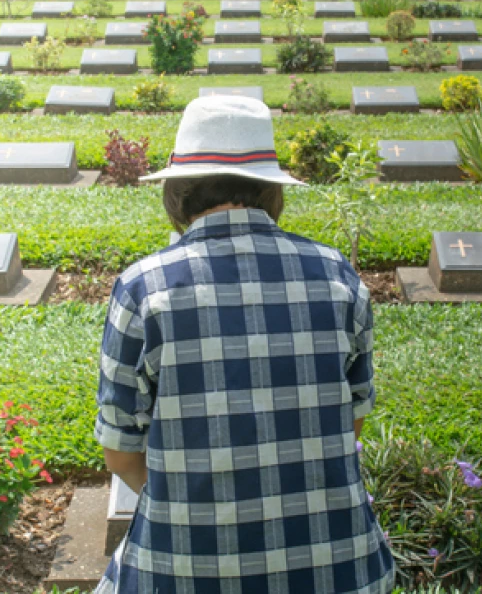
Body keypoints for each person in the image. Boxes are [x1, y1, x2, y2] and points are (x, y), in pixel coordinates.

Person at [94, 96, 394, 594]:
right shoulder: (337, 273)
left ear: (177, 192)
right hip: (338, 570)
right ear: (271, 189)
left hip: (183, 572)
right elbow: (352, 419)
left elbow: (121, 453)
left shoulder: (142, 287)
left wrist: (201, 508)